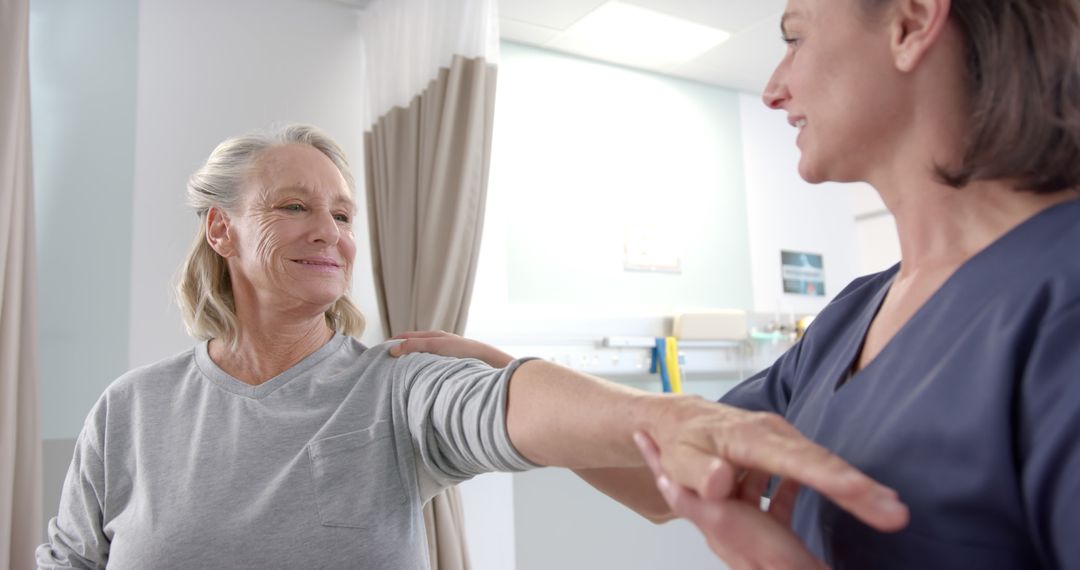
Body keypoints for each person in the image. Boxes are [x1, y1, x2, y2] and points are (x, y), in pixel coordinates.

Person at [35, 125, 908, 569]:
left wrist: (661, 414)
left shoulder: (395, 385)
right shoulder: (133, 409)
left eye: (343, 213)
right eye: (294, 207)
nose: (331, 232)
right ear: (222, 231)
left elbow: (505, 409)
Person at [401, 0, 1080, 567]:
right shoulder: (854, 316)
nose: (774, 87)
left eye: (795, 37)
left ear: (910, 23)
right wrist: (505, 375)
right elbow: (668, 476)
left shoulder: (1059, 298)